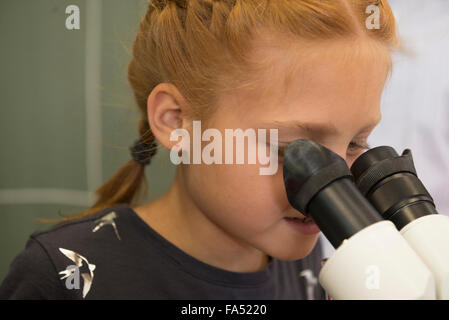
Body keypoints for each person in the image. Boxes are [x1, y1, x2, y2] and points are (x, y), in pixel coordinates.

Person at [0, 0, 399, 299]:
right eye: (293, 149)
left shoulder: (313, 263)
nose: (333, 182)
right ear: (177, 122)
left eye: (355, 143)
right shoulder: (61, 274)